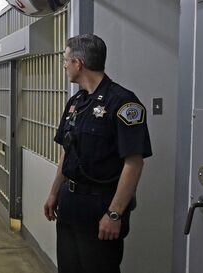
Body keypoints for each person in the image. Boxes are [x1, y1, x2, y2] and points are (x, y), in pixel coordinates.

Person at [43, 34, 152, 273]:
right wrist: (54, 193)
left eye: (65, 59)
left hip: (100, 206)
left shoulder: (123, 103)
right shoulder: (76, 103)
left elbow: (134, 164)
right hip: (70, 204)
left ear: (78, 64)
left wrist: (114, 214)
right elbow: (67, 153)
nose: (64, 65)